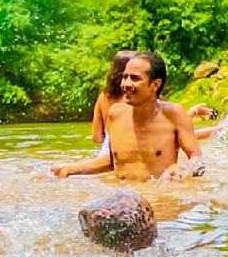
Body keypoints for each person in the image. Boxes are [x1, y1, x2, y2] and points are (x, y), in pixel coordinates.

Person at [52, 50, 203, 181]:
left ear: (155, 85)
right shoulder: (116, 113)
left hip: (160, 200)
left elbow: (198, 162)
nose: (126, 84)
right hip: (123, 200)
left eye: (135, 78)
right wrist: (70, 169)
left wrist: (181, 170)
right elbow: (113, 162)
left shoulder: (174, 114)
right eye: (125, 77)